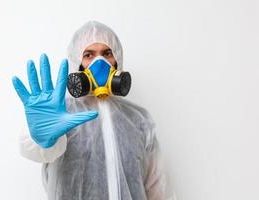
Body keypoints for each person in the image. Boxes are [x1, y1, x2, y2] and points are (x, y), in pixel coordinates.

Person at [12, 21, 176, 200]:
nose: (100, 63)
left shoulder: (139, 120)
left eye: (107, 53)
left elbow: (158, 188)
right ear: (77, 62)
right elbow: (36, 151)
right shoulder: (61, 115)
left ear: (117, 61)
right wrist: (41, 137)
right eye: (89, 55)